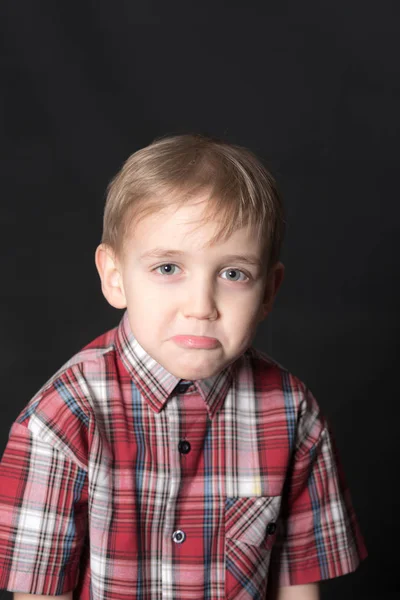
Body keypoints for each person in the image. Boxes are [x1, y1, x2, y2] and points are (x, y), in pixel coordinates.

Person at [0, 134, 367, 600]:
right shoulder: (61, 418)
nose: (201, 307)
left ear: (269, 291)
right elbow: (41, 591)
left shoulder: (293, 413)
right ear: (115, 278)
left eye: (233, 274)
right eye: (169, 268)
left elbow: (298, 586)